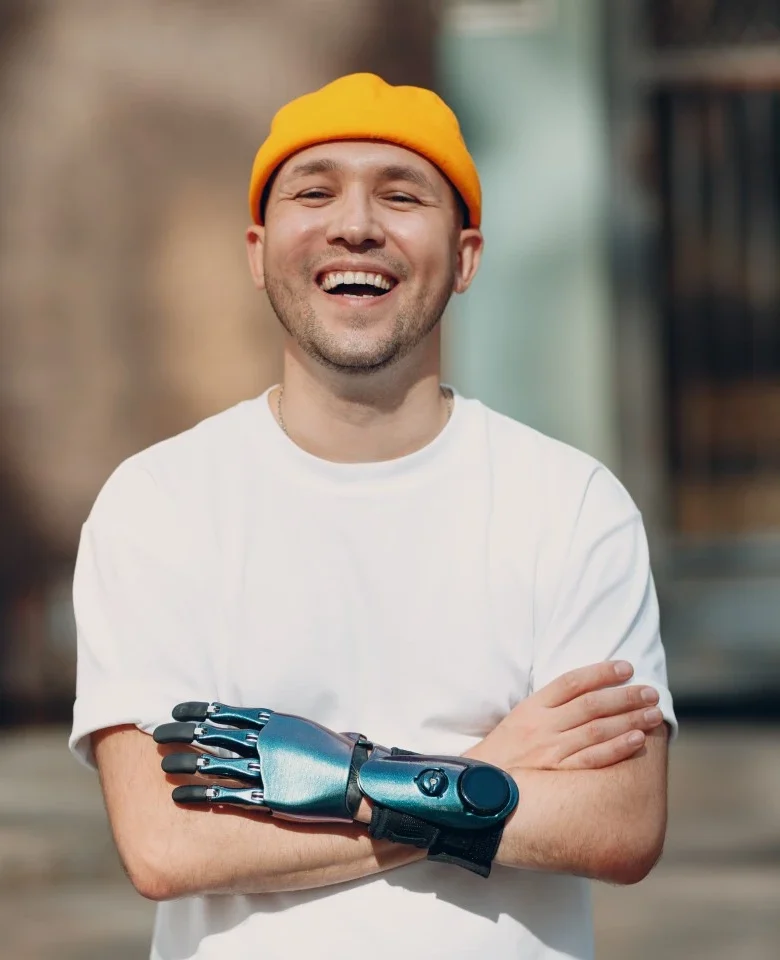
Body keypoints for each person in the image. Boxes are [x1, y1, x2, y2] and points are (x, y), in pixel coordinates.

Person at [69, 73, 676, 960]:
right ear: (257, 247)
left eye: (402, 194)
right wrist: (482, 781)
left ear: (466, 256)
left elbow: (620, 823)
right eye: (314, 191)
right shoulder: (158, 504)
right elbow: (165, 845)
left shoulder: (572, 505)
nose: (355, 223)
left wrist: (333, 783)